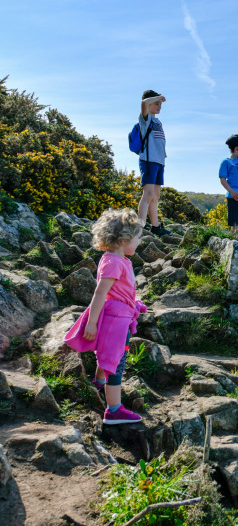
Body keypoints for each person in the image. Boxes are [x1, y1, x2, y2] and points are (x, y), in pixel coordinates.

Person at [63, 208, 147, 425]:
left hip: (121, 316)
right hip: (115, 319)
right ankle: (114, 410)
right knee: (116, 362)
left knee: (109, 354)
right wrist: (91, 322)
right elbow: (100, 292)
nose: (139, 242)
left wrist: (134, 303)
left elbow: (118, 291)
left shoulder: (116, 259)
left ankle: (99, 381)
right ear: (124, 239)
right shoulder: (114, 262)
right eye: (137, 238)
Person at [136, 89, 172, 237]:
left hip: (159, 161)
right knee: (148, 194)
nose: (159, 106)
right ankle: (140, 226)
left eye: (160, 104)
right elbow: (144, 103)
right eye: (156, 103)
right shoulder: (146, 118)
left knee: (155, 195)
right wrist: (158, 97)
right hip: (148, 161)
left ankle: (155, 226)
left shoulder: (158, 121)